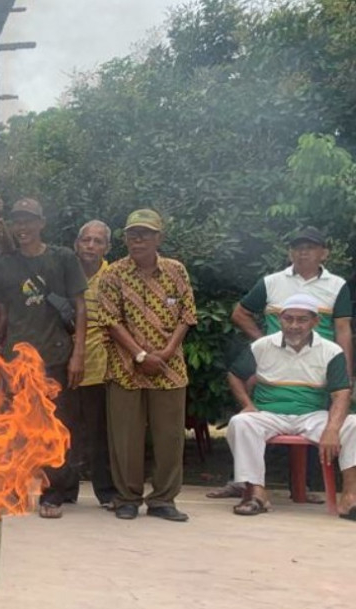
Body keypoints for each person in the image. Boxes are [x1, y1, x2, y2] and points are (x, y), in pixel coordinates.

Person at [214, 226, 354, 501]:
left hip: (321, 364)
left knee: (327, 419)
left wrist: (345, 372)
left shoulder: (337, 286)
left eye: (310, 247)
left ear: (323, 253)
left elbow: (343, 329)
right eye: (298, 247)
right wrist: (267, 343)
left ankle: (318, 491)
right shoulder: (271, 282)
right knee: (250, 419)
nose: (303, 252)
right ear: (290, 252)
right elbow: (240, 314)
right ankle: (251, 489)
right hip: (276, 362)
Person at [0, 199, 87, 518]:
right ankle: (14, 490)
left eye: (29, 221)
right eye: (18, 222)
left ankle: (52, 493)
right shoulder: (4, 264)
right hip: (17, 359)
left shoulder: (63, 258)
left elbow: (80, 307)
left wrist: (78, 353)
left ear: (42, 223)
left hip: (55, 355)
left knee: (54, 427)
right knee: (16, 428)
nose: (23, 227)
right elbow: (1, 311)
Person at [99, 209, 197, 522]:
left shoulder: (176, 271)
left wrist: (165, 354)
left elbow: (187, 316)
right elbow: (110, 321)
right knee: (125, 438)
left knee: (169, 437)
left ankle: (163, 500)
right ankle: (127, 497)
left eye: (145, 233)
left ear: (159, 238)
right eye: (132, 233)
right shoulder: (113, 274)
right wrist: (141, 356)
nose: (138, 239)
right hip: (126, 368)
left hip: (169, 369)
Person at [225, 293, 356, 518]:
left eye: (302, 319)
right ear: (280, 319)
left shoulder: (331, 351)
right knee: (241, 422)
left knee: (353, 424)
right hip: (269, 413)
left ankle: (350, 498)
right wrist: (247, 404)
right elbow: (234, 375)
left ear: (315, 321)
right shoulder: (262, 346)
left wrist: (333, 429)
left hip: (312, 416)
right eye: (288, 319)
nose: (294, 325)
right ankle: (257, 494)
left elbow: (341, 394)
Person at [70, 220, 116, 506]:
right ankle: (63, 491)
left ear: (107, 247)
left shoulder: (115, 276)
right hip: (68, 363)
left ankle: (107, 492)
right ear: (77, 244)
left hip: (102, 367)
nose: (91, 246)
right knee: (67, 432)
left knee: (101, 435)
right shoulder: (65, 272)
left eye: (98, 241)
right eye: (86, 240)